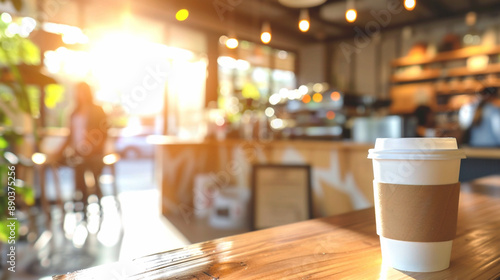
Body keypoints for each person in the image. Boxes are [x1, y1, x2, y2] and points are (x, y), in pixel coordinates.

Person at [52, 82, 109, 210]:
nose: (80, 95)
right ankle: (81, 203)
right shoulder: (73, 112)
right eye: (78, 91)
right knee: (78, 172)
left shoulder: (97, 110)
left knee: (92, 175)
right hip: (78, 153)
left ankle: (96, 203)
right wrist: (57, 152)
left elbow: (104, 132)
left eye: (83, 91)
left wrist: (92, 147)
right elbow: (69, 136)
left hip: (94, 153)